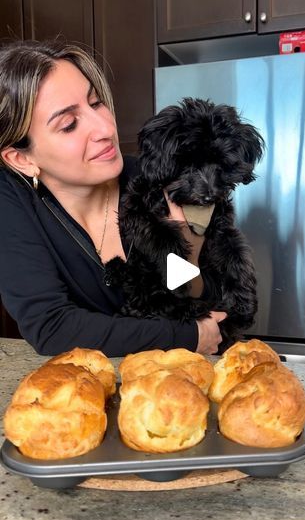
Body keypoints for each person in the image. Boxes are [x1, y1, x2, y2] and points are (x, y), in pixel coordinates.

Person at [0, 38, 226, 357]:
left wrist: (185, 256)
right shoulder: (13, 200)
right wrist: (184, 336)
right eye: (69, 124)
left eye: (96, 103)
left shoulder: (160, 181)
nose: (104, 128)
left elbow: (210, 308)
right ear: (22, 159)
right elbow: (51, 327)